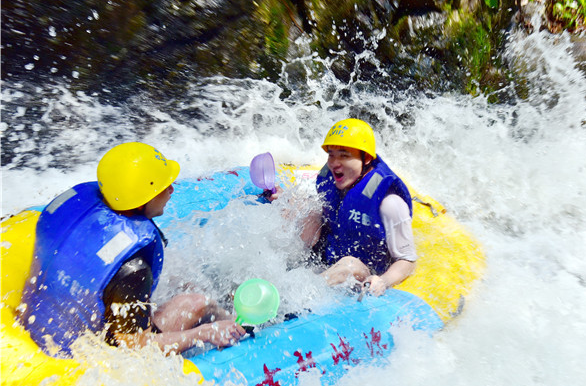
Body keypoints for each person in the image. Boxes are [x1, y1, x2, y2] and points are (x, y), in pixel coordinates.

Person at [19, 142, 245, 358]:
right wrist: (203, 333)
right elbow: (135, 350)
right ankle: (241, 326)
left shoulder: (79, 213)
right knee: (197, 302)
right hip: (80, 360)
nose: (172, 190)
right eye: (163, 187)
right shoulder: (133, 269)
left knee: (185, 283)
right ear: (140, 201)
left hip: (37, 325)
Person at [276, 118, 417, 297]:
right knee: (305, 207)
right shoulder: (332, 181)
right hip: (327, 256)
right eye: (331, 155)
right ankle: (278, 270)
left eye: (344, 155)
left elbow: (407, 260)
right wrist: (286, 201)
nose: (334, 163)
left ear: (366, 158)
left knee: (349, 265)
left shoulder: (390, 203)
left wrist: (383, 280)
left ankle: (289, 296)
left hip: (362, 268)